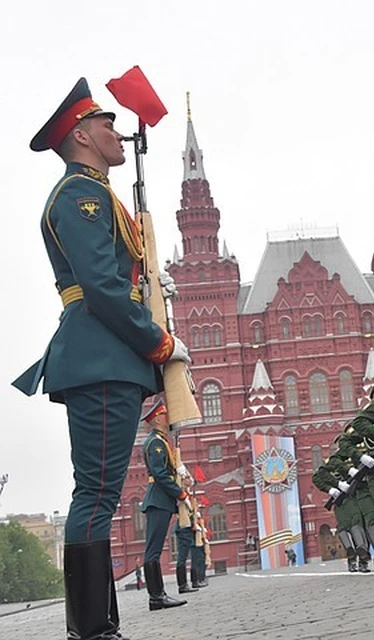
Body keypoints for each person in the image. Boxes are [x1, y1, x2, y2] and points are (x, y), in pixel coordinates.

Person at [12, 77, 190, 640]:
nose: (118, 131)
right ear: (82, 135)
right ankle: (90, 628)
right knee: (96, 492)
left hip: (102, 355)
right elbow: (103, 287)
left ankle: (96, 623)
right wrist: (158, 341)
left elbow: (117, 278)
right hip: (101, 355)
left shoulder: (96, 193)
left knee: (100, 491)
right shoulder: (80, 196)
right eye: (107, 123)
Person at [139, 397, 188, 611]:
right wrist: (180, 493)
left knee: (155, 550)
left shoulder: (160, 440)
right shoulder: (156, 443)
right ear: (158, 418)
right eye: (165, 414)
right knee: (153, 551)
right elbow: (159, 474)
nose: (168, 417)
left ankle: (158, 596)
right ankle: (156, 597)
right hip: (159, 499)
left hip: (160, 499)